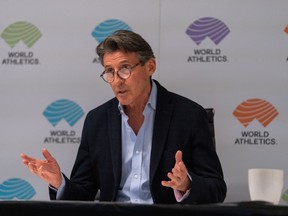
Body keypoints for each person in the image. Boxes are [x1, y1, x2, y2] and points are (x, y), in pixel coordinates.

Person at [20, 30, 227, 204]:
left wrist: (187, 184)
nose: (117, 81)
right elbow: (83, 193)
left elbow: (217, 188)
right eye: (109, 71)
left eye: (125, 69)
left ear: (150, 67)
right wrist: (59, 183)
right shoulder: (97, 121)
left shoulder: (189, 115)